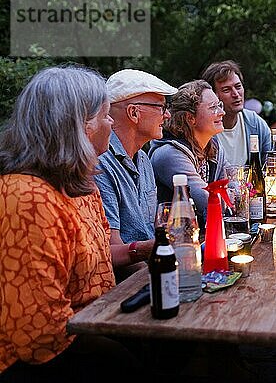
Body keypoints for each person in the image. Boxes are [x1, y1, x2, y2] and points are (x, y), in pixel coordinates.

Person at [0, 66, 141, 382]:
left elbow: (102, 256)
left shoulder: (82, 184)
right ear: (81, 125)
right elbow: (39, 336)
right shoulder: (26, 198)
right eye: (106, 115)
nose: (111, 123)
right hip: (37, 360)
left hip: (93, 329)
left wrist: (147, 251)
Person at [94, 69, 177, 276]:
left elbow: (151, 230)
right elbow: (112, 251)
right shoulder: (101, 164)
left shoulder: (143, 158)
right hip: (125, 289)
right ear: (133, 113)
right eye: (161, 107)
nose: (167, 115)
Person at [149, 80, 229, 226]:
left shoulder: (214, 145)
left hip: (204, 235)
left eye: (220, 105)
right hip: (175, 241)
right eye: (213, 107)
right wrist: (233, 198)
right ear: (190, 118)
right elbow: (206, 202)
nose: (222, 112)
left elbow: (232, 182)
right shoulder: (169, 154)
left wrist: (234, 195)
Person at [201, 60, 271, 165]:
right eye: (226, 90)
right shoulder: (204, 128)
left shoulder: (255, 124)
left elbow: (271, 163)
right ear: (213, 96)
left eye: (238, 87)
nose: (236, 94)